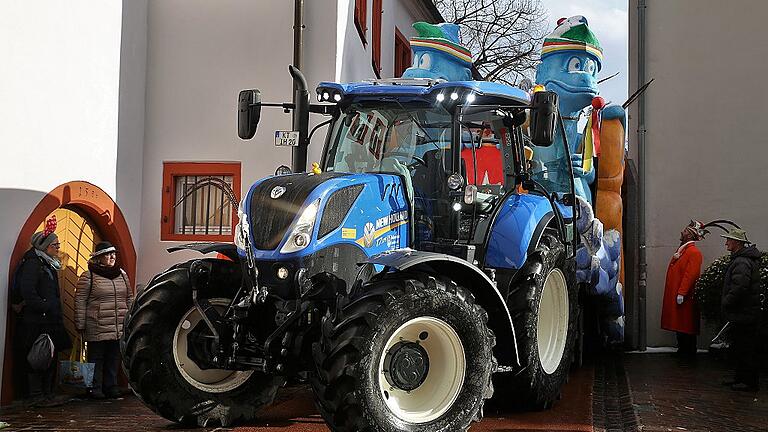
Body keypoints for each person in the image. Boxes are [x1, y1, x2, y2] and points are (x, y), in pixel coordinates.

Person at [18, 216, 72, 407]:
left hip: (50, 320)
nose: (58, 247)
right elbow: (27, 290)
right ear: (45, 246)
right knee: (36, 357)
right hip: (37, 321)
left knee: (50, 355)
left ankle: (48, 393)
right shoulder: (34, 263)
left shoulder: (48, 263)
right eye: (55, 244)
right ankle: (36, 395)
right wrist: (44, 306)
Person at [75, 241, 133, 399]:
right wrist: (80, 323)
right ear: (99, 258)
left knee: (114, 357)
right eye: (108, 254)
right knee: (96, 357)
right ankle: (94, 388)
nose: (112, 257)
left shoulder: (121, 274)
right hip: (97, 324)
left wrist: (130, 318)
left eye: (113, 253)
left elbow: (129, 297)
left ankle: (111, 386)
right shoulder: (89, 275)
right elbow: (80, 300)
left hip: (117, 324)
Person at [720, 228, 762, 392]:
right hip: (744, 312)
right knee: (740, 346)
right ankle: (741, 378)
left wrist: (727, 302)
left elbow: (739, 287)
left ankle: (748, 381)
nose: (726, 243)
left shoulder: (742, 262)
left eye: (729, 240)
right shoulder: (742, 260)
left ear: (737, 242)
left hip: (744, 313)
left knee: (745, 347)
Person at [661, 220, 705, 356]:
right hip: (679, 295)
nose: (682, 232)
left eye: (685, 231)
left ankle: (688, 352)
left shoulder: (693, 252)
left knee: (686, 326)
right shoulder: (684, 250)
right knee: (681, 326)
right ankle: (683, 350)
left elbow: (690, 275)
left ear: (691, 235)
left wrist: (682, 292)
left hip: (685, 298)